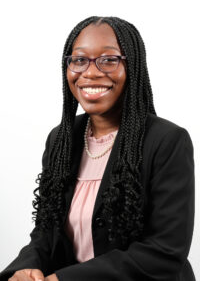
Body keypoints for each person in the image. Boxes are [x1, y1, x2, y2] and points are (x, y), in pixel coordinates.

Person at [0, 16, 196, 281]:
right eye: (79, 60)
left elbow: (164, 252)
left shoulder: (167, 142)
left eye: (108, 60)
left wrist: (65, 279)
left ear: (133, 67)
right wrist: (25, 267)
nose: (90, 72)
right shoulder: (61, 140)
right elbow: (47, 233)